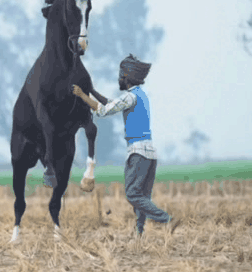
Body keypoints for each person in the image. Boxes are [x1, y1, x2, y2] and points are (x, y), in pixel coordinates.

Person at [72, 53, 181, 238]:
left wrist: (82, 95)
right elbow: (111, 103)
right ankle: (139, 234)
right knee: (142, 197)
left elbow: (104, 110)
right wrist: (92, 90)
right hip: (150, 153)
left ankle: (166, 219)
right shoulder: (140, 95)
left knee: (132, 195)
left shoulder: (130, 97)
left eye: (120, 75)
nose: (118, 79)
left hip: (137, 152)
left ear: (126, 77)